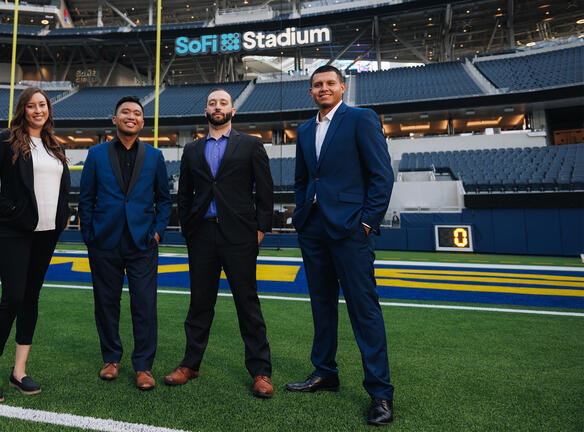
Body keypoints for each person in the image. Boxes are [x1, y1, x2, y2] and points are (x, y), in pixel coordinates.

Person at [285, 64, 395, 425]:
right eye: (317, 84)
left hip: (350, 230)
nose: (323, 88)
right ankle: (325, 372)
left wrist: (366, 223)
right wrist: (303, 215)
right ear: (311, 91)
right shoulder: (303, 130)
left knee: (364, 311)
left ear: (342, 87)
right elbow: (303, 179)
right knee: (321, 306)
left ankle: (380, 393)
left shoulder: (361, 119)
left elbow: (381, 175)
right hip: (314, 230)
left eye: (330, 83)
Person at [165, 88, 275, 398]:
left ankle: (260, 371)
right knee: (199, 303)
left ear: (232, 110)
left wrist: (260, 229)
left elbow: (264, 191)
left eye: (223, 102)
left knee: (247, 304)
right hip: (202, 235)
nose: (217, 106)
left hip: (240, 235)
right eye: (212, 102)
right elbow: (184, 194)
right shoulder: (192, 150)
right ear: (206, 110)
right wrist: (189, 228)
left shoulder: (251, 145)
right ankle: (190, 364)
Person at [0, 87, 71, 403]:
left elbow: (59, 188)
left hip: (46, 234)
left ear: (49, 109)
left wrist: (61, 217)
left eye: (43, 105)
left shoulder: (55, 145)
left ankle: (19, 371)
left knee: (31, 299)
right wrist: (12, 210)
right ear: (23, 110)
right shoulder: (6, 140)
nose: (38, 110)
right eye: (32, 105)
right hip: (14, 232)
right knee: (12, 298)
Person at [78, 96, 171, 391]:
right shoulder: (95, 154)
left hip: (143, 242)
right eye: (125, 112)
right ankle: (111, 359)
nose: (131, 116)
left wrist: (156, 232)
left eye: (137, 113)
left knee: (144, 306)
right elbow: (86, 199)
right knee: (106, 304)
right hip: (104, 242)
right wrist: (90, 235)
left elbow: (165, 201)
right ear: (115, 119)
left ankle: (143, 366)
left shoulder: (155, 156)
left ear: (142, 122)